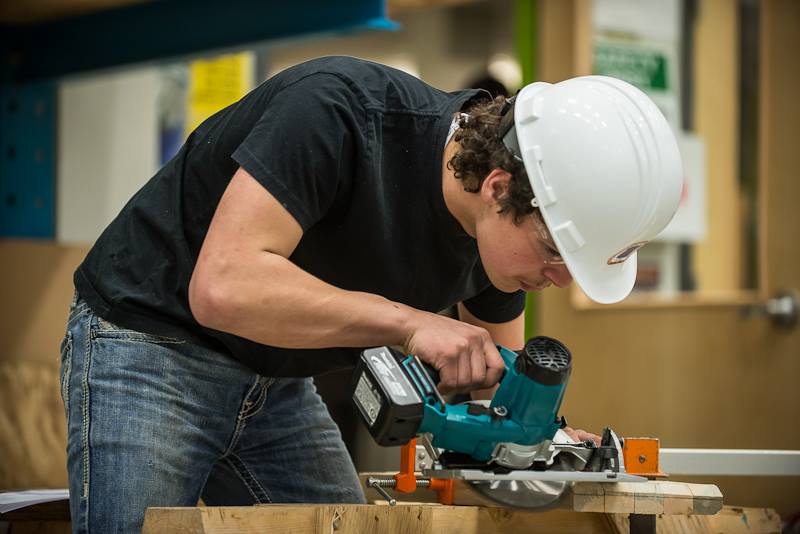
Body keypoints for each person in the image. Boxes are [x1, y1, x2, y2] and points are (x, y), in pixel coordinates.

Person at [59, 56, 682, 533]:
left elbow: (503, 395)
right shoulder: (338, 111)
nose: (560, 278)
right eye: (555, 253)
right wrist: (411, 325)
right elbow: (223, 287)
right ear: (497, 188)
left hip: (272, 379)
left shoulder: (501, 242)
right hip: (150, 341)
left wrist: (561, 444)